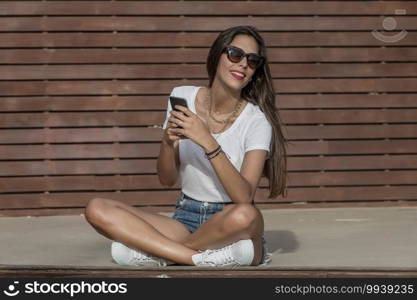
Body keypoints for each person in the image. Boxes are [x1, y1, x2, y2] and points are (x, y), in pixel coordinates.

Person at [84, 25, 287, 267]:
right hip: (185, 219)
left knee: (247, 215)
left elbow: (243, 197)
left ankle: (159, 253)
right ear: (217, 55)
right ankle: (198, 258)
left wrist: (207, 141)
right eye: (235, 54)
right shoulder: (183, 96)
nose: (243, 64)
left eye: (252, 60)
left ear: (255, 71)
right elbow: (167, 179)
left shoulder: (256, 121)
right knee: (97, 208)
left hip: (230, 222)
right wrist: (167, 142)